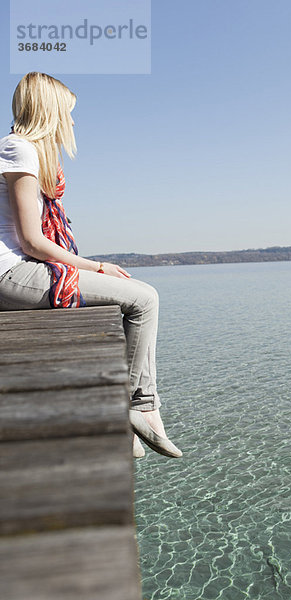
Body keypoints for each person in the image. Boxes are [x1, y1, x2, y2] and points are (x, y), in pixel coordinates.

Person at [0, 71, 182, 459]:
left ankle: (136, 411)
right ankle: (140, 408)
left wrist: (91, 269)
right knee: (144, 300)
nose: (72, 121)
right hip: (8, 275)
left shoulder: (22, 151)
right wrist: (97, 267)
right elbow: (32, 240)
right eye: (68, 112)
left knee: (140, 297)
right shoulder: (20, 149)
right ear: (49, 111)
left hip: (18, 270)